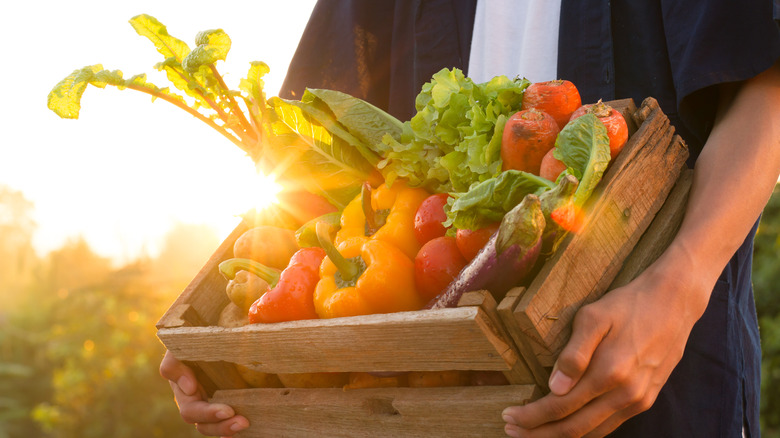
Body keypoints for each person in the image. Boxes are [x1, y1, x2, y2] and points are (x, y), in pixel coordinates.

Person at [160, 1, 780, 436]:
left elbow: (765, 79)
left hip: (648, 380)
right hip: (427, 400)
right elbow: (316, 165)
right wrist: (229, 352)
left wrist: (678, 288)